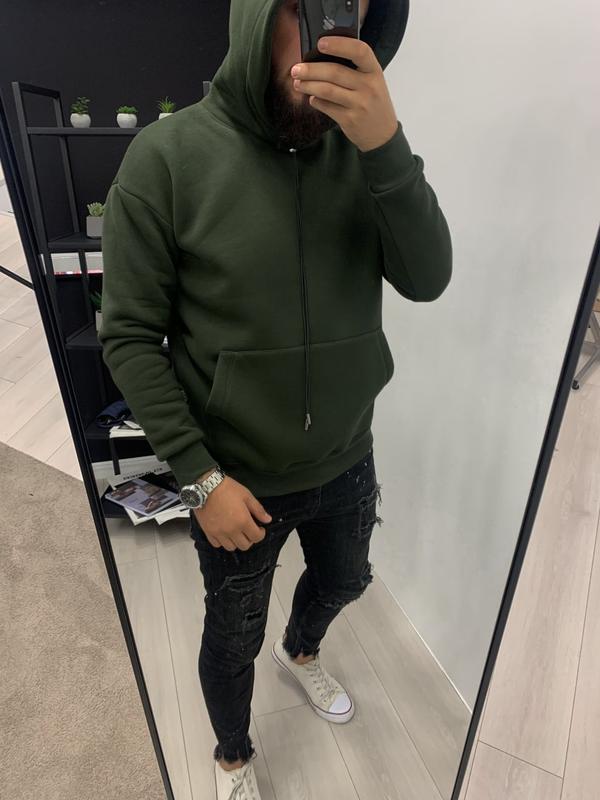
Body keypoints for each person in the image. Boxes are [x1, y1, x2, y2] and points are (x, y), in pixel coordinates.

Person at [99, 0, 452, 796]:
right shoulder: (166, 158)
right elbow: (128, 337)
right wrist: (198, 479)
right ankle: (232, 756)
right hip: (236, 479)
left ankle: (302, 651)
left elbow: (428, 279)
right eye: (308, 8)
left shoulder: (366, 152)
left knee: (347, 582)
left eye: (351, 14)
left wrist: (386, 146)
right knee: (231, 640)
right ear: (258, 15)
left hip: (347, 458)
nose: (329, 36)